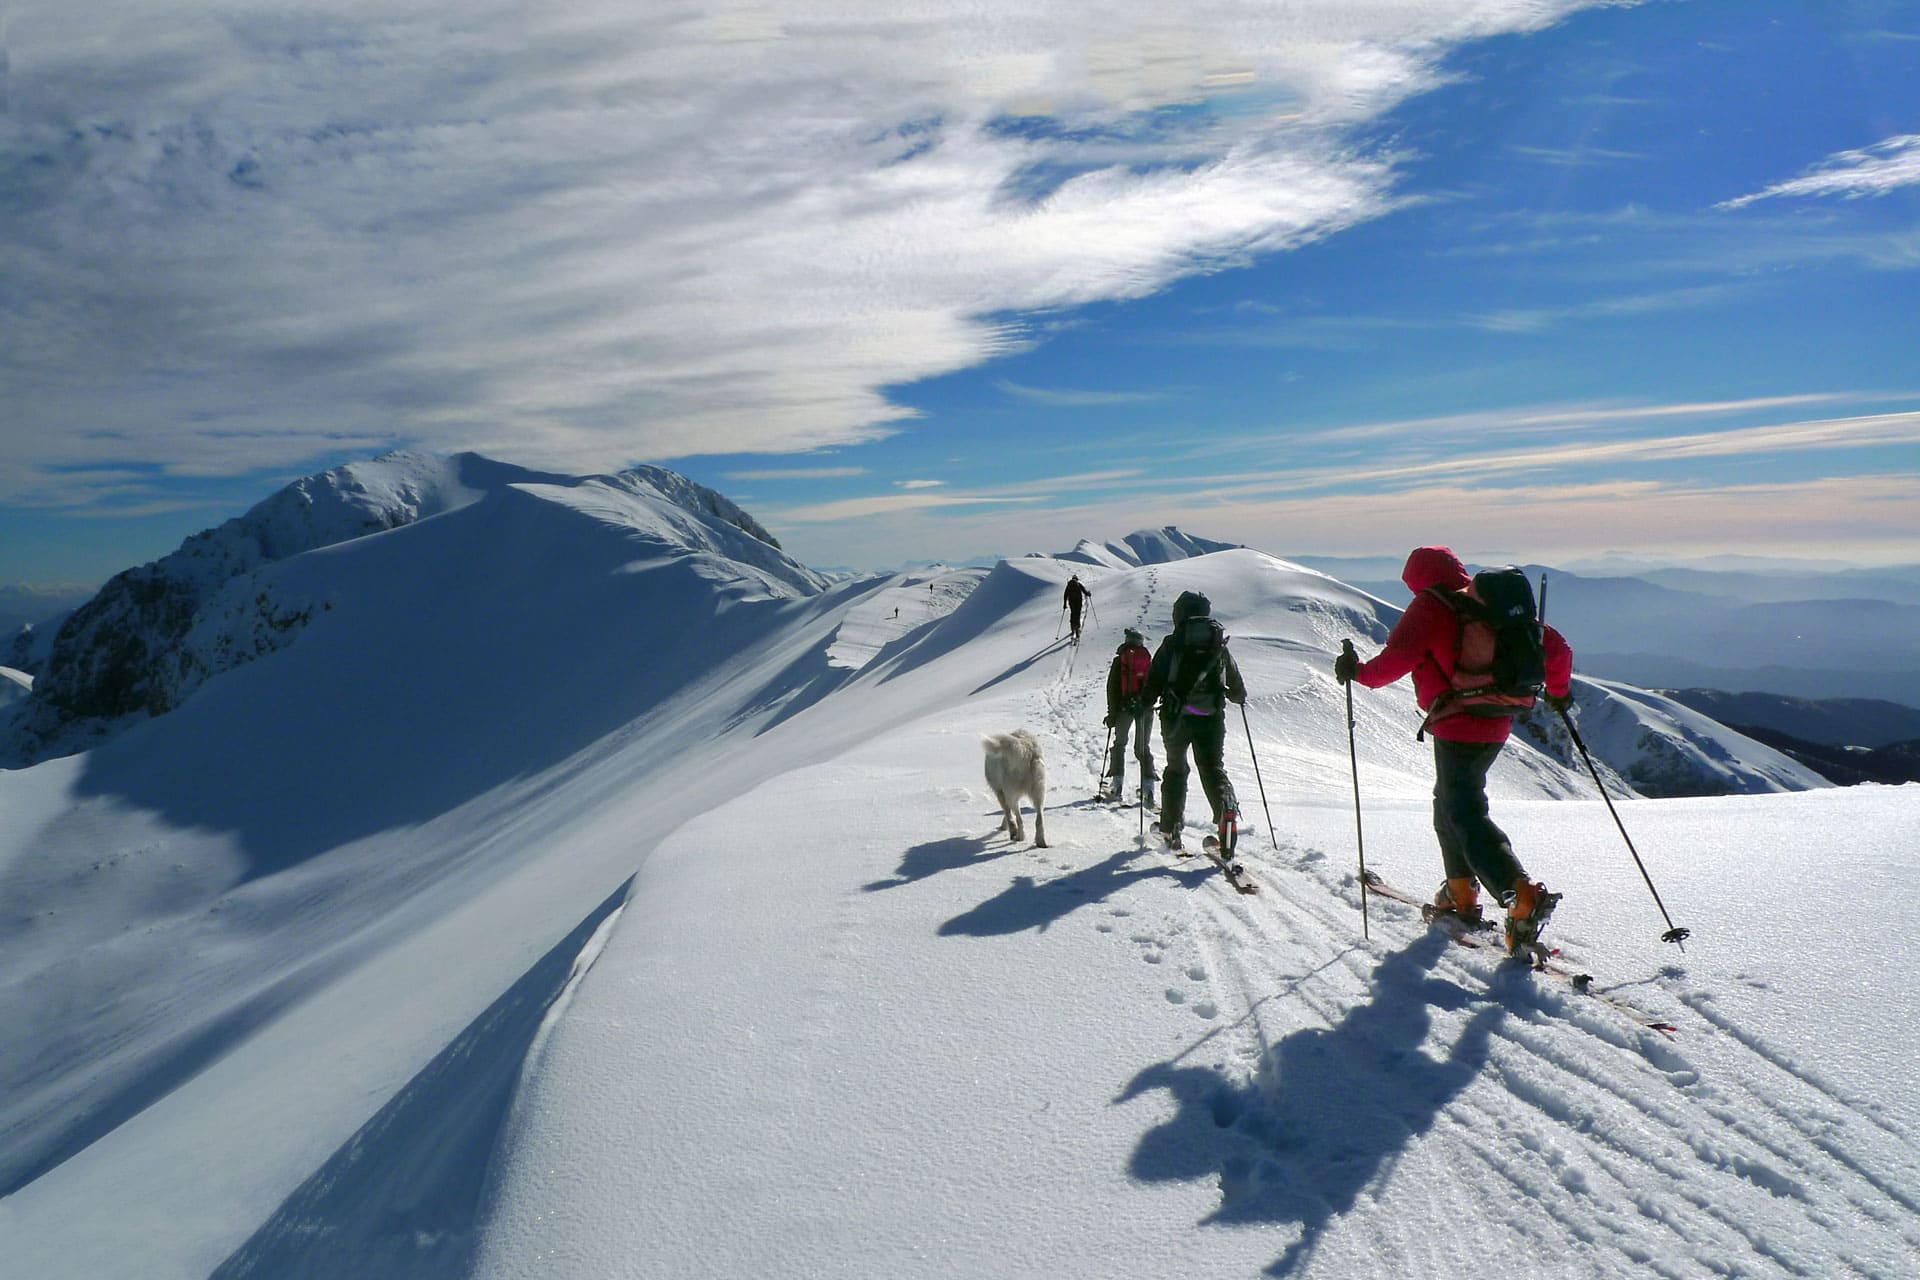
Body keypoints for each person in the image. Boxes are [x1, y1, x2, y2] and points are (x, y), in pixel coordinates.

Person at [1334, 546, 1574, 955]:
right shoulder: (1491, 605)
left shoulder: (1432, 606)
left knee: (1463, 811)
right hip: (1497, 722)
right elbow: (1557, 649)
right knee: (1449, 803)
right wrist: (1558, 694)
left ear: (1416, 580)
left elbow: (1396, 660)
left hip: (1456, 722)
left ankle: (1518, 892)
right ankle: (1461, 892)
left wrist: (1356, 672)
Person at [1143, 591, 1246, 851]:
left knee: (1176, 770)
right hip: (1211, 718)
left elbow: (1154, 681)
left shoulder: (1172, 643)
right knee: (1212, 767)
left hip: (1177, 718)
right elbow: (1236, 689)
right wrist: (1236, 695)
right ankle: (1226, 807)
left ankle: (1170, 827)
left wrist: (1142, 704)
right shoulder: (1218, 643)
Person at [1102, 628, 1157, 804]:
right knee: (1143, 748)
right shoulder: (1148, 659)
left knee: (1120, 744)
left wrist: (1112, 713)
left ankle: (1117, 786)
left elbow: (1112, 688)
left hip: (1124, 708)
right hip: (1145, 709)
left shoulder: (1120, 661)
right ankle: (1149, 790)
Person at [1063, 575, 1091, 643]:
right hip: (1078, 601)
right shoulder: (1078, 584)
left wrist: (1064, 604)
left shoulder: (1068, 586)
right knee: (1078, 614)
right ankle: (1077, 630)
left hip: (1071, 602)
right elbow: (1085, 592)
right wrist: (1088, 594)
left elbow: (1065, 595)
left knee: (1073, 614)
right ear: (1077, 579)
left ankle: (1073, 629)